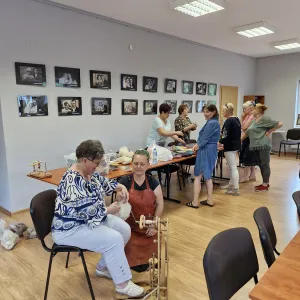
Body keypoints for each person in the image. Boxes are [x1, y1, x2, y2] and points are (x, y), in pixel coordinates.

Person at [51, 140, 144, 297]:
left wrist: (120, 187)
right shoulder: (72, 181)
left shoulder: (89, 173)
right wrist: (109, 210)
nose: (98, 166)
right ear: (84, 160)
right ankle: (122, 285)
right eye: (96, 163)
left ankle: (103, 268)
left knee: (124, 229)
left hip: (89, 221)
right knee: (114, 238)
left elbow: (105, 183)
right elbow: (86, 212)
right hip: (70, 229)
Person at [117, 149, 164, 272]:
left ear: (148, 165)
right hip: (130, 229)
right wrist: (120, 198)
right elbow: (119, 202)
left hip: (149, 228)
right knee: (138, 265)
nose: (138, 167)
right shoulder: (124, 182)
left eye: (142, 164)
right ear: (131, 164)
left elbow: (160, 204)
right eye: (136, 163)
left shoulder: (153, 182)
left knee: (155, 255)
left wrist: (154, 225)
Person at [242, 104, 283, 192]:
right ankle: (264, 183)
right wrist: (239, 140)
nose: (251, 111)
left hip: (263, 145)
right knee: (261, 165)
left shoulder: (265, 119)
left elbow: (280, 123)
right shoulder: (254, 120)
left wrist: (270, 131)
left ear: (258, 110)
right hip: (256, 145)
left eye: (253, 109)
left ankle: (265, 184)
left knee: (265, 165)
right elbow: (248, 132)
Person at [186, 104, 220, 208]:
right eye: (204, 111)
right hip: (210, 150)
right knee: (208, 176)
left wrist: (196, 146)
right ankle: (209, 200)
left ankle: (195, 202)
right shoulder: (213, 122)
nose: (205, 114)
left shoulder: (211, 123)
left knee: (198, 176)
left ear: (214, 112)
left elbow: (204, 139)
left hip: (205, 150)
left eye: (208, 112)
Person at [218, 103, 241, 196]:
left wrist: (220, 142)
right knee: (233, 167)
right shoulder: (236, 119)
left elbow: (225, 135)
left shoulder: (228, 121)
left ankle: (235, 189)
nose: (222, 113)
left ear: (227, 112)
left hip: (230, 146)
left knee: (233, 168)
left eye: (223, 111)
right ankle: (231, 184)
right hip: (235, 145)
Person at [239, 101, 257, 182]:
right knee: (251, 157)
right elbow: (242, 127)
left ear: (250, 108)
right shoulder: (247, 116)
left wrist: (243, 126)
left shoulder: (252, 116)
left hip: (250, 138)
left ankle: (245, 177)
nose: (243, 110)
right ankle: (252, 175)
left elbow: (244, 127)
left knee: (247, 157)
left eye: (244, 109)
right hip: (248, 138)